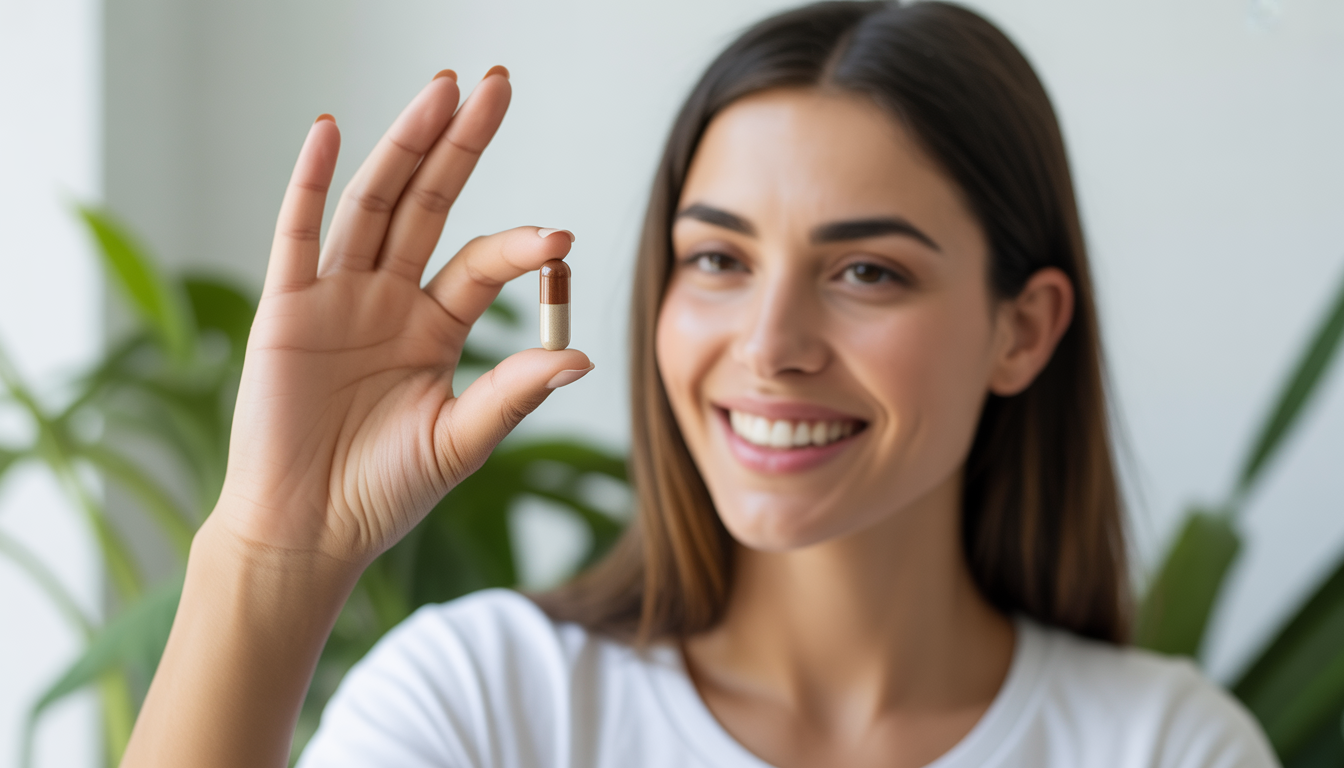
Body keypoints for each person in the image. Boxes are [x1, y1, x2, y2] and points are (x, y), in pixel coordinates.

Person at [121, 2, 1278, 767]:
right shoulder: (487, 705)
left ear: (1023, 332)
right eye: (717, 259)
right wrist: (274, 549)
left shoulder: (1166, 746)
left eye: (867, 271)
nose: (770, 343)